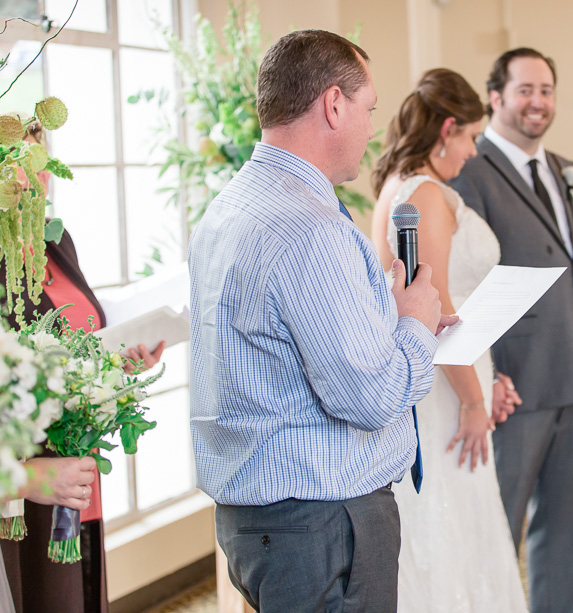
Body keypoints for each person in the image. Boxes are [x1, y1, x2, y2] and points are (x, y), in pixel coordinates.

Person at [189, 30, 449, 612]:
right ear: (334, 104)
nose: (371, 128)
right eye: (368, 109)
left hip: (264, 522)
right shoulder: (308, 228)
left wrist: (377, 308)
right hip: (325, 523)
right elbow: (371, 397)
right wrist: (414, 326)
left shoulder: (229, 206)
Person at [451, 48, 573, 613]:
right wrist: (488, 379)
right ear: (496, 98)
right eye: (525, 90)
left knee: (570, 531)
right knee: (497, 531)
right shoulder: (468, 172)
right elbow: (465, 282)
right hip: (513, 387)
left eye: (546, 90)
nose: (538, 102)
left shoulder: (564, 169)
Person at [370, 67, 528, 613]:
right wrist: (474, 400)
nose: (472, 152)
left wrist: (489, 377)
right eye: (471, 138)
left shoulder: (397, 186)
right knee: (454, 519)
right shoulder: (426, 196)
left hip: (449, 375)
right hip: (444, 388)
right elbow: (437, 314)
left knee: (446, 521)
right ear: (448, 129)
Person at [0, 121, 164, 613]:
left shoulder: (56, 242)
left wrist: (117, 361)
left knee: (80, 596)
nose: (36, 181)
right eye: (21, 168)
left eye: (42, 165)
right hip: (22, 487)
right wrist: (27, 475)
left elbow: (78, 340)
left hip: (74, 468)